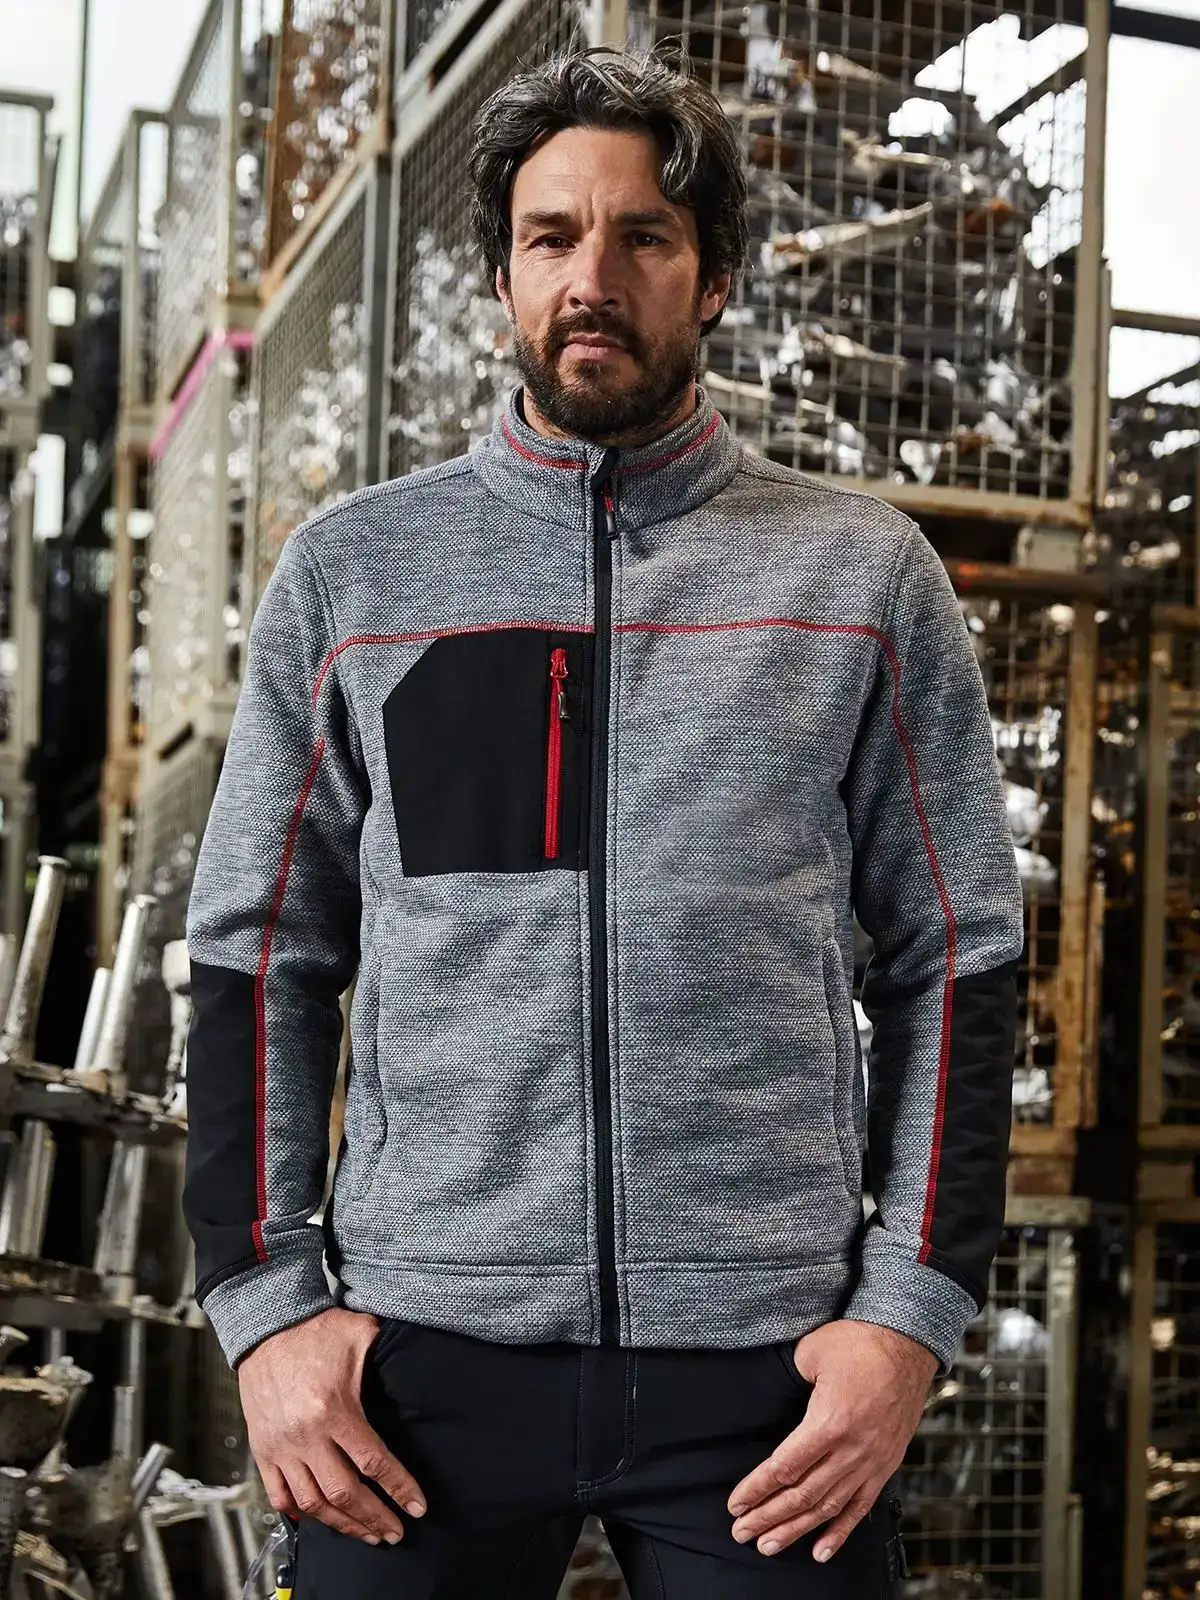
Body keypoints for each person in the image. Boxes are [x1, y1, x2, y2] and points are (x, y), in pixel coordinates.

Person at [182, 45, 1023, 1599]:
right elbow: (257, 951)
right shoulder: (357, 575)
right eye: (552, 235)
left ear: (715, 280)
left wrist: (907, 1318)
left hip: (769, 1375)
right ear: (503, 276)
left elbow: (957, 953)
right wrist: (265, 1307)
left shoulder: (858, 575)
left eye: (644, 236)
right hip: (421, 1365)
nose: (593, 277)